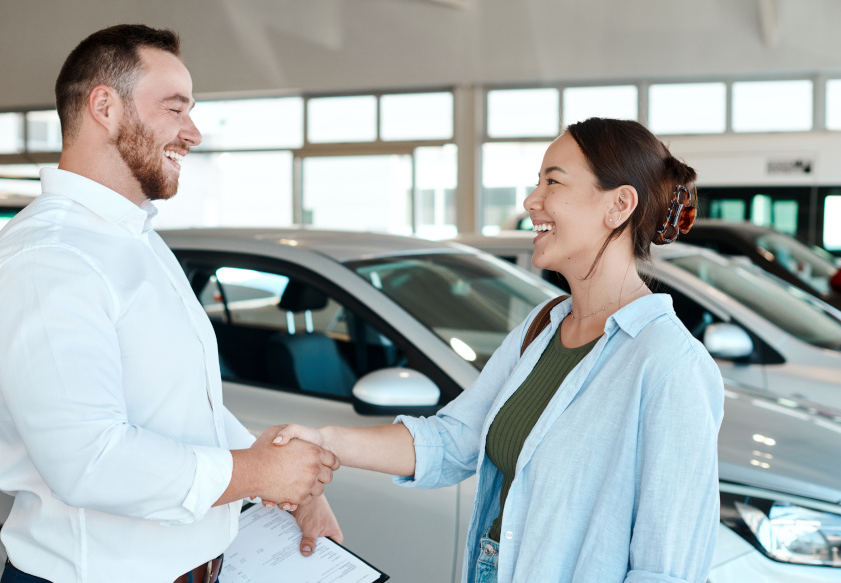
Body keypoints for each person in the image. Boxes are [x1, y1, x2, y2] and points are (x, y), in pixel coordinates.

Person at [272, 117, 724, 583]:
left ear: (619, 205)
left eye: (553, 181)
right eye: (537, 182)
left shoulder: (670, 364)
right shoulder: (543, 328)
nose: (532, 201)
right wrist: (324, 441)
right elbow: (452, 441)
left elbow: (665, 570)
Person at [0, 25, 341, 583]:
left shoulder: (137, 236)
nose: (191, 132)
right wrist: (259, 471)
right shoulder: (47, 258)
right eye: (174, 109)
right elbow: (90, 460)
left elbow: (177, 409)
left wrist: (282, 477)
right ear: (104, 106)